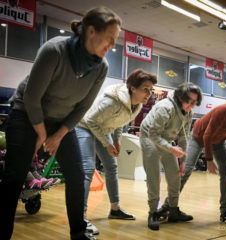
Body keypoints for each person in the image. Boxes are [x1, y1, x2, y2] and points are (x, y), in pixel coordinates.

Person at [0, 7, 121, 240]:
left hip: (62, 122)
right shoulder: (54, 50)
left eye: (115, 41)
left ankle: (78, 232)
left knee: (76, 174)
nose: (111, 45)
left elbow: (83, 107)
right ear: (92, 31)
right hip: (26, 114)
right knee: (14, 176)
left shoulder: (101, 68)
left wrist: (58, 135)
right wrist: (42, 134)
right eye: (109, 39)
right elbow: (31, 98)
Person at [158, 84, 226, 226]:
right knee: (186, 170)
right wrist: (209, 160)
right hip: (198, 137)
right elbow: (207, 136)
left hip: (218, 141)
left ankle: (225, 212)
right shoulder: (223, 110)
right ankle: (168, 206)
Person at [75, 69, 157, 234]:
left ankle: (115, 209)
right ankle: (80, 216)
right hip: (84, 125)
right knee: (88, 169)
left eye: (151, 90)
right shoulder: (112, 101)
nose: (149, 94)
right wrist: (107, 144)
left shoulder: (137, 104)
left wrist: (117, 140)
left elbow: (121, 121)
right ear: (133, 88)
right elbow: (90, 119)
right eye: (145, 89)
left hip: (102, 128)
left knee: (112, 167)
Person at [139, 83, 202, 231]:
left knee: (175, 176)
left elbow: (184, 137)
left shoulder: (188, 112)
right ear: (180, 97)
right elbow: (153, 134)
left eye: (195, 103)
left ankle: (173, 211)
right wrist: (171, 148)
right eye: (190, 102)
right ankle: (153, 213)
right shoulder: (165, 108)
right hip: (149, 136)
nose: (192, 105)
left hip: (166, 140)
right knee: (154, 176)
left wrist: (183, 161)